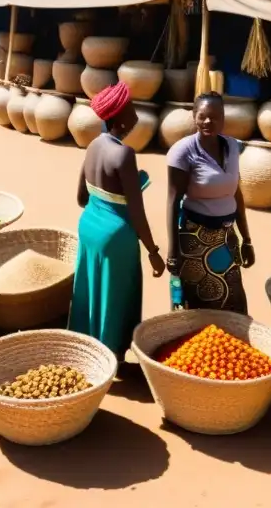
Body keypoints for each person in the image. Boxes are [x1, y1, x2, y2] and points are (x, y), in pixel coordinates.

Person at [68, 82, 163, 358]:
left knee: (91, 289)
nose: (136, 113)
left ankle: (86, 351)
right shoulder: (123, 154)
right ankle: (110, 355)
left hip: (89, 228)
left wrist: (105, 204)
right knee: (115, 295)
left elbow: (81, 197)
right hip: (116, 237)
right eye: (132, 108)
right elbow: (137, 210)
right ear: (120, 117)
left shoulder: (93, 146)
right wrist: (153, 251)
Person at [166, 92, 255, 314]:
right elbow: (172, 201)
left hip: (226, 240)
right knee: (196, 309)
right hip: (195, 241)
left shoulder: (233, 147)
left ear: (224, 118)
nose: (208, 122)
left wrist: (247, 239)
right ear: (194, 117)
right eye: (203, 116)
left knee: (232, 304)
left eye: (215, 117)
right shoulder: (183, 152)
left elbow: (237, 194)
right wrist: (172, 251)